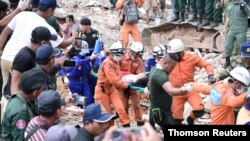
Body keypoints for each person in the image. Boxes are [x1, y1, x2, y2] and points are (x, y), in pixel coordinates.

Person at [0, 0, 74, 95]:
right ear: (50, 10)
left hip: (5, 58)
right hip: (23, 62)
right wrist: (74, 37)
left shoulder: (22, 14)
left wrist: (1, 49)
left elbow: (5, 32)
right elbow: (63, 44)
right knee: (18, 93)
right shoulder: (46, 28)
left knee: (6, 92)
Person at [167, 39, 214, 124]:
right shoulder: (167, 60)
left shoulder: (191, 57)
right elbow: (158, 71)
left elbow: (206, 64)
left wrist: (210, 75)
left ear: (180, 52)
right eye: (171, 55)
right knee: (176, 120)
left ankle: (190, 119)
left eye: (174, 55)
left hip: (190, 89)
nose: (172, 57)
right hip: (176, 92)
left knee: (199, 110)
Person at [149, 53, 188, 137]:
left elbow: (149, 84)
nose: (172, 69)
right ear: (165, 63)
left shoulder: (154, 69)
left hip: (156, 109)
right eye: (172, 67)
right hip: (162, 112)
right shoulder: (160, 75)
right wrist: (184, 90)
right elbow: (170, 91)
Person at [1, 69, 47, 141]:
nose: (42, 91)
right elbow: (20, 139)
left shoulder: (18, 96)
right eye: (41, 89)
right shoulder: (22, 112)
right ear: (35, 92)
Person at [10, 26, 57, 95]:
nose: (50, 44)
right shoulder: (24, 57)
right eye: (49, 41)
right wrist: (19, 104)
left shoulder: (35, 53)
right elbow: (15, 85)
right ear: (43, 42)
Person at [94, 41, 131, 127]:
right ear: (112, 53)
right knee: (107, 115)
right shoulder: (108, 63)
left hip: (112, 88)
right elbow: (113, 79)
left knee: (121, 109)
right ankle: (109, 133)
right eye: (118, 54)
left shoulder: (115, 62)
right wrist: (124, 85)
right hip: (102, 90)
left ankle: (126, 126)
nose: (120, 56)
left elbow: (116, 77)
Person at [45, 103, 116, 141]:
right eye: (100, 123)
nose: (104, 126)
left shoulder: (84, 134)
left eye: (105, 122)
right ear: (87, 124)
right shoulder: (82, 139)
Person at [62, 41, 97, 106]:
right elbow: (78, 63)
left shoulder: (85, 57)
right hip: (74, 83)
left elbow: (90, 51)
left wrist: (97, 49)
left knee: (89, 100)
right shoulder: (70, 60)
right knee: (78, 102)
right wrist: (90, 58)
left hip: (84, 82)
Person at [119, 42, 144, 126]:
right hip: (122, 85)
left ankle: (139, 121)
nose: (137, 56)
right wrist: (125, 74)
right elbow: (116, 71)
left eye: (138, 54)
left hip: (133, 86)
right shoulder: (122, 57)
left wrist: (138, 76)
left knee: (136, 103)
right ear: (132, 51)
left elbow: (139, 74)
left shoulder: (139, 61)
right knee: (124, 104)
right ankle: (126, 123)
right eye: (137, 54)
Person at [223, 0, 250, 68]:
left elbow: (249, 13)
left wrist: (244, 8)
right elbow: (228, 17)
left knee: (243, 47)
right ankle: (227, 62)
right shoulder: (231, 5)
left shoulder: (243, 4)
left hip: (241, 29)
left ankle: (245, 63)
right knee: (228, 45)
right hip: (232, 29)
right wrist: (225, 27)